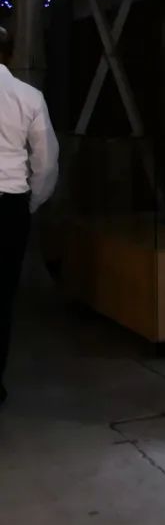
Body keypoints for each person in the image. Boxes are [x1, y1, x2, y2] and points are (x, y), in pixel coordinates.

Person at [0, 25, 59, 406]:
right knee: (2, 297)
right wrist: (29, 202)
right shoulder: (28, 96)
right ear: (9, 53)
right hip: (9, 206)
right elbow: (46, 162)